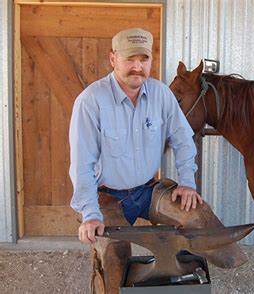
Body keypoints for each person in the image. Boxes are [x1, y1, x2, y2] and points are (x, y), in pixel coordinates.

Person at [69, 27, 203, 244]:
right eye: (130, 59)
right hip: (107, 197)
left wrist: (187, 182)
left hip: (148, 191)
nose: (137, 67)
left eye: (144, 59)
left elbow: (183, 139)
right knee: (114, 257)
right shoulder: (91, 101)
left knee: (199, 218)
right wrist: (91, 213)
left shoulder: (160, 93)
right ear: (113, 59)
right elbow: (82, 164)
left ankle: (189, 273)